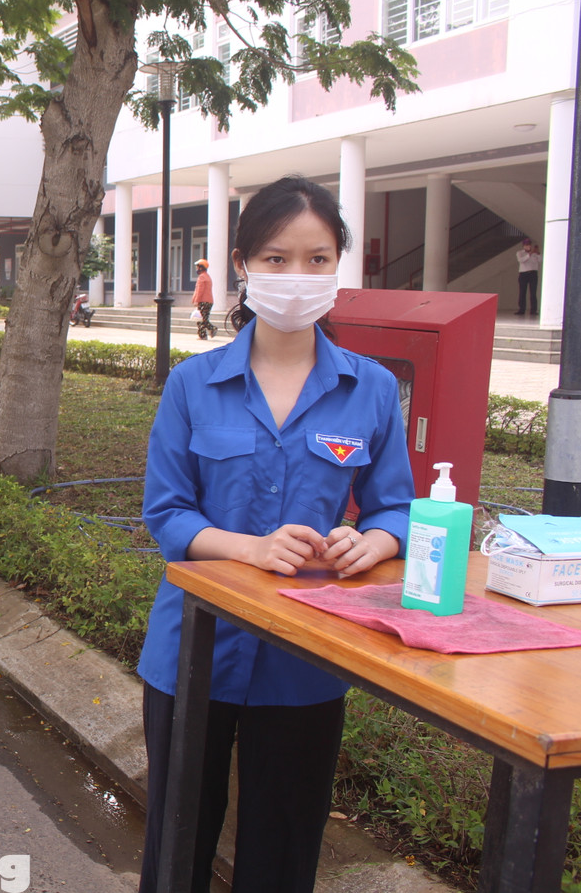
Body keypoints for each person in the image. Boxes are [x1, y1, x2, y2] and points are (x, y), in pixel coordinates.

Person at [135, 175, 415, 893]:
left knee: (285, 849)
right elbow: (167, 512)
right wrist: (250, 548)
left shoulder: (371, 388)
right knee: (177, 844)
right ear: (242, 264)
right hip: (191, 651)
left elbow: (395, 508)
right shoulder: (194, 384)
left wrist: (373, 542)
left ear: (338, 267)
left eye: (318, 259)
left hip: (306, 658)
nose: (298, 276)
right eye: (277, 257)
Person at [191, 258, 217, 340]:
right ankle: (203, 335)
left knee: (201, 319)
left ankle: (211, 329)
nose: (196, 269)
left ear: (201, 267)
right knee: (203, 318)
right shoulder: (207, 277)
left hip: (203, 301)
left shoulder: (201, 277)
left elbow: (199, 290)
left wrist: (196, 300)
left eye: (198, 267)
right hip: (209, 301)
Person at [516, 238, 541, 316]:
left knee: (533, 292)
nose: (528, 246)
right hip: (523, 274)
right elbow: (521, 260)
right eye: (526, 245)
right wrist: (530, 254)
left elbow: (540, 260)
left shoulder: (535, 253)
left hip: (533, 273)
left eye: (529, 245)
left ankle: (533, 310)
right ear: (523, 246)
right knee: (522, 292)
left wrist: (537, 253)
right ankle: (521, 309)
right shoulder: (520, 253)